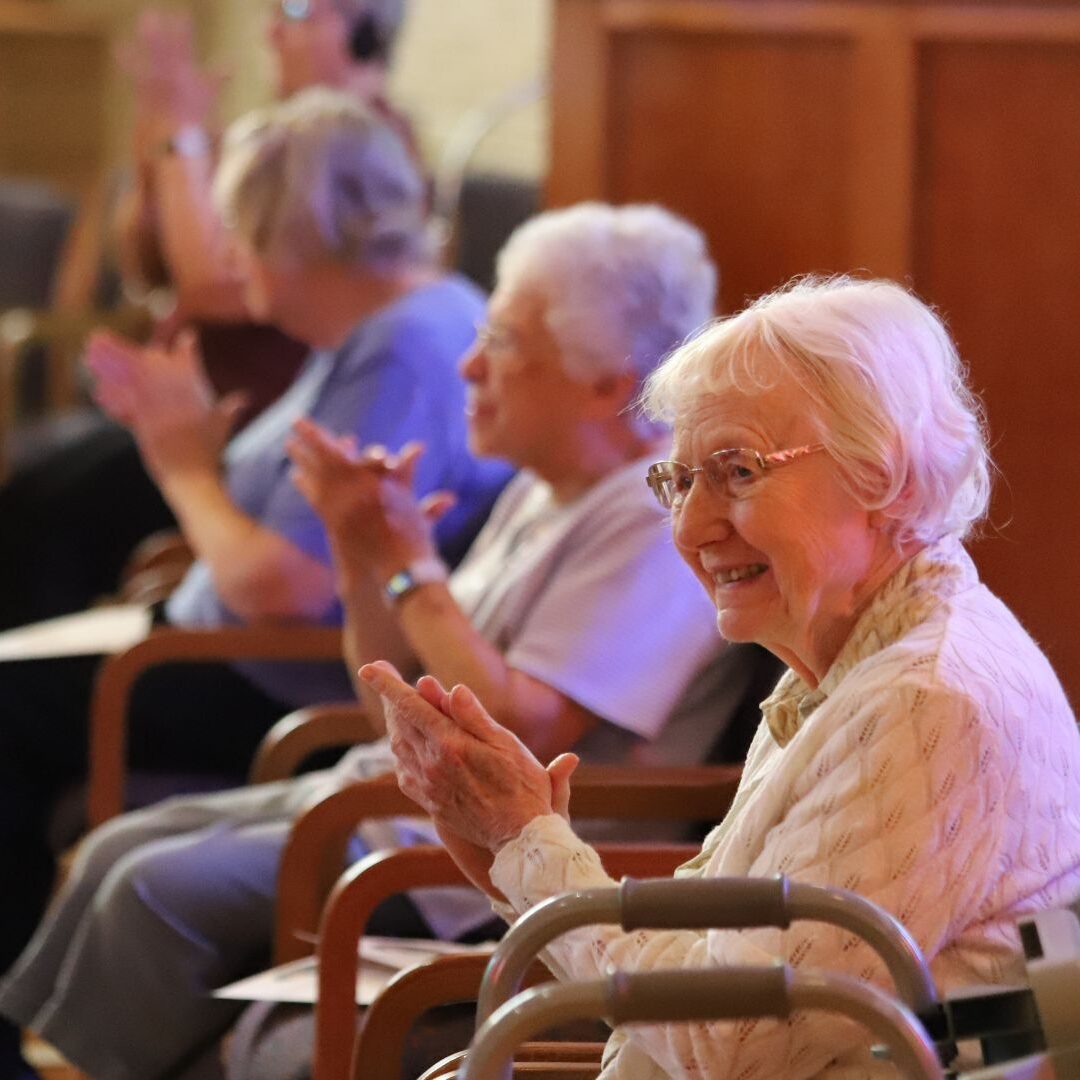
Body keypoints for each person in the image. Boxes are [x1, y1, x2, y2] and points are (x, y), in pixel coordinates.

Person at [0, 203, 762, 1080]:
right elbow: (390, 701)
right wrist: (365, 558)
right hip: (390, 802)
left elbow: (524, 731)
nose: (471, 367)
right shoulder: (547, 488)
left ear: (604, 384)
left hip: (483, 861)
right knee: (113, 851)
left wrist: (411, 571)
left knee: (151, 891)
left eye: (506, 346)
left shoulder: (646, 518)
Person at [368, 274, 1080, 1079]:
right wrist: (520, 857)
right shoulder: (855, 661)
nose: (693, 526)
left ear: (890, 480)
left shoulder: (929, 703)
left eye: (739, 472)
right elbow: (718, 971)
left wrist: (532, 852)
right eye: (682, 480)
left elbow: (727, 1042)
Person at [0, 88, 510, 1080]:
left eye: (240, 230)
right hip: (212, 643)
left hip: (267, 675)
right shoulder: (378, 330)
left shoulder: (408, 341)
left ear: (295, 230)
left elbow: (287, 585)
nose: (230, 259)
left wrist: (182, 463)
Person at [0, 0, 412, 633]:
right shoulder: (278, 132)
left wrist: (184, 138)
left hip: (252, 422)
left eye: (298, 10)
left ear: (362, 22)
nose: (273, 28)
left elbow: (218, 283)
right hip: (192, 413)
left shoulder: (369, 138)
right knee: (28, 499)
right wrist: (158, 137)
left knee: (51, 526)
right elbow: (147, 263)